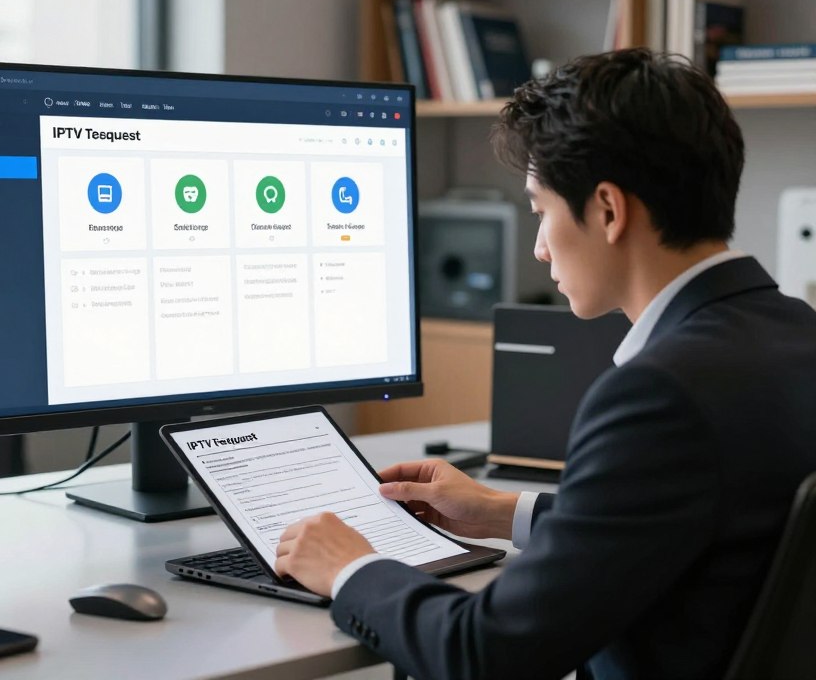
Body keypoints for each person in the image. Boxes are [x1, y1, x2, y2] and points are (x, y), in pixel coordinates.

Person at [274, 48, 816, 680]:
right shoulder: (797, 334)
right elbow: (696, 520)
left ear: (608, 210)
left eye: (540, 211)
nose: (537, 248)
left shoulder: (658, 396)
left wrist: (350, 568)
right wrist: (504, 512)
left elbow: (485, 653)